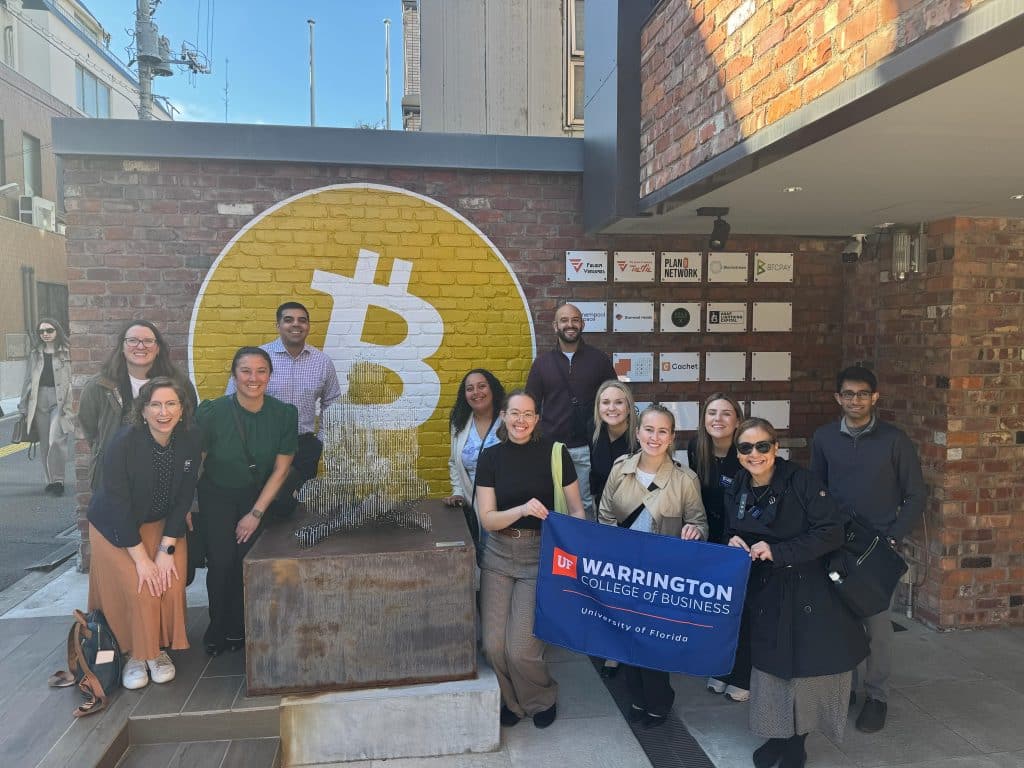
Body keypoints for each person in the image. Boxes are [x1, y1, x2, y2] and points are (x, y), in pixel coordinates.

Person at [726, 418, 868, 768]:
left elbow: (830, 532)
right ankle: (776, 736)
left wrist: (779, 552)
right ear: (738, 453)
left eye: (762, 446)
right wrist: (734, 540)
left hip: (809, 591)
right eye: (745, 448)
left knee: (803, 672)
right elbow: (734, 527)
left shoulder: (802, 482)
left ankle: (796, 744)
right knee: (770, 671)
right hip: (765, 593)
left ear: (776, 448)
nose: (754, 454)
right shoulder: (738, 486)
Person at [810, 366, 925, 733]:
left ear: (874, 397)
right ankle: (847, 691)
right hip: (837, 544)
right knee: (840, 623)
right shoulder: (825, 438)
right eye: (848, 393)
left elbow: (915, 494)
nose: (855, 400)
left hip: (878, 547)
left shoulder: (895, 440)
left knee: (877, 627)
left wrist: (893, 536)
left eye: (862, 394)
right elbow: (817, 490)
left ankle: (876, 697)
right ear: (838, 398)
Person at [475, 389, 586, 729]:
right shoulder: (490, 458)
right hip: (498, 553)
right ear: (504, 417)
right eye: (514, 413)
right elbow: (487, 519)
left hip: (540, 555)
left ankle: (541, 699)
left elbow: (578, 509)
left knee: (520, 648)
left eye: (528, 414)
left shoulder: (555, 454)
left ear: (537, 419)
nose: (521, 420)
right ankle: (513, 703)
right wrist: (522, 509)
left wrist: (575, 544)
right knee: (493, 647)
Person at [86, 377, 202, 690]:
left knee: (170, 582)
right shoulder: (124, 442)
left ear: (182, 409)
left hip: (162, 523)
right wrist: (142, 559)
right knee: (141, 586)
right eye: (155, 404)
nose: (163, 412)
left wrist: (165, 552)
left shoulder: (191, 439)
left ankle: (157, 650)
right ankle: (136, 654)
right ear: (143, 410)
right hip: (115, 526)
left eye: (171, 404)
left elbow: (183, 499)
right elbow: (118, 506)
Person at [598, 404, 708, 726]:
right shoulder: (620, 469)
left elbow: (699, 523)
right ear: (637, 432)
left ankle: (659, 701)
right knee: (628, 639)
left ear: (672, 437)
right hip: (624, 571)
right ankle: (636, 697)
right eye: (649, 429)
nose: (654, 437)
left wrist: (695, 531)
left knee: (655, 641)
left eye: (663, 431)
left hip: (662, 576)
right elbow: (604, 515)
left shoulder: (685, 479)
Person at [196, 347, 297, 656]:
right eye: (246, 371)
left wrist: (255, 513)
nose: (253, 378)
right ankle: (218, 626)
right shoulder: (212, 412)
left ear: (269, 375)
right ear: (234, 375)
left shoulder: (283, 414)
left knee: (246, 562)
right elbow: (198, 461)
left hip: (257, 497)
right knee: (221, 561)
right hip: (216, 494)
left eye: (261, 371)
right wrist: (188, 506)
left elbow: (281, 470)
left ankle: (242, 626)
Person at [226, 301, 340, 518]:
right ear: (277, 325)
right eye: (288, 320)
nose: (295, 324)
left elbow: (333, 401)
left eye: (302, 320)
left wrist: (322, 439)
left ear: (308, 326)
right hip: (264, 445)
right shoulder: (258, 358)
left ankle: (296, 549)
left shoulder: (322, 362)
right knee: (265, 506)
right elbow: (233, 398)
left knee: (301, 508)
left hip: (305, 446)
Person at [525, 303, 618, 520]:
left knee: (585, 504)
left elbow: (615, 397)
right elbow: (531, 405)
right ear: (555, 325)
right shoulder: (542, 364)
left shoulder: (599, 360)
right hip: (551, 448)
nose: (570, 324)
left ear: (582, 324)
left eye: (575, 320)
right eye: (564, 320)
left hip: (588, 447)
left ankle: (582, 550)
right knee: (551, 502)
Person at [80, 321, 197, 491]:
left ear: (158, 348)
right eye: (133, 340)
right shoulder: (99, 386)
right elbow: (90, 429)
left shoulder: (179, 384)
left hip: (165, 475)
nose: (141, 346)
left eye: (148, 341)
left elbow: (189, 420)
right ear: (122, 346)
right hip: (115, 476)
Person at [687, 393, 749, 701]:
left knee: (741, 609)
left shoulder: (746, 452)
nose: (718, 419)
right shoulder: (695, 449)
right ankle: (720, 667)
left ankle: (742, 674)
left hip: (740, 541)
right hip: (709, 540)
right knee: (716, 608)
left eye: (726, 413)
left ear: (737, 421)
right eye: (712, 412)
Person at [588, 379, 638, 679]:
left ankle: (632, 647)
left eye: (618, 402)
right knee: (611, 588)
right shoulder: (595, 435)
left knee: (632, 591)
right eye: (605, 402)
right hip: (604, 522)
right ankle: (613, 649)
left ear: (629, 406)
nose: (612, 408)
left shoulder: (640, 437)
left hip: (636, 525)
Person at [442, 369, 506, 546]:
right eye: (470, 389)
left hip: (506, 506)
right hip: (473, 506)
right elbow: (454, 462)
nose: (476, 393)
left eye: (482, 386)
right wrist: (458, 492)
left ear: (492, 389)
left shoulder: (508, 421)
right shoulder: (459, 424)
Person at [18, 318, 74, 495]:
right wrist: (23, 407)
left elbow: (73, 378)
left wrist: (71, 403)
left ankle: (58, 481)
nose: (45, 334)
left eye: (49, 330)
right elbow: (28, 380)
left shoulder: (67, 351)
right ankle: (50, 480)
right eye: (41, 332)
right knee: (44, 443)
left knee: (55, 439)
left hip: (60, 399)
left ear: (57, 330)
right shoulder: (35, 353)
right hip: (39, 399)